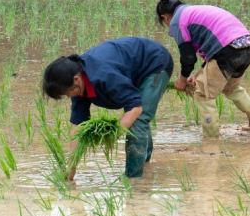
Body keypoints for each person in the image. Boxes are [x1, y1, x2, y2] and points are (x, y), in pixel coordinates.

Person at [42, 37, 173, 180]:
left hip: (154, 62)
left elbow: (135, 107)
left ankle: (134, 180)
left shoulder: (104, 76)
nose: (68, 96)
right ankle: (145, 164)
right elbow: (78, 126)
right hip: (130, 66)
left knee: (138, 119)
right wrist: (71, 168)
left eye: (67, 93)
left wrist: (113, 135)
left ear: (76, 79)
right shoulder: (78, 85)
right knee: (136, 117)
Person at [155, 0, 250, 138]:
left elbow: (188, 57)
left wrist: (182, 79)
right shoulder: (193, 11)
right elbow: (214, 47)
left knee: (203, 94)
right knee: (231, 88)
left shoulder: (177, 21)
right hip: (245, 46)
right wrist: (198, 73)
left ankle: (211, 138)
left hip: (227, 50)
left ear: (165, 17)